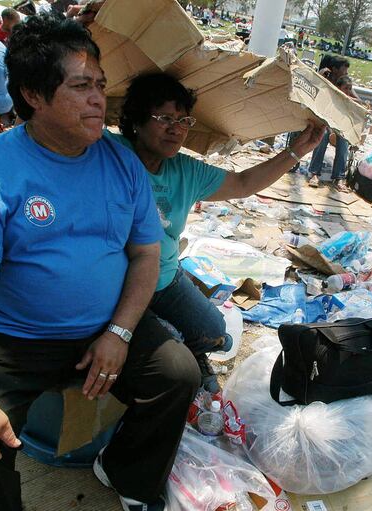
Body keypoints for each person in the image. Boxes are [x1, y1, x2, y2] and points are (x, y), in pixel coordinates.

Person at [0, 16, 199, 511]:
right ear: (34, 95)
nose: (99, 98)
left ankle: (129, 477)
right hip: (17, 338)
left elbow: (146, 255)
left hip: (104, 327)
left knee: (179, 372)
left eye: (100, 85)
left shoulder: (122, 164)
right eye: (81, 86)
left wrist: (119, 333)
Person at [110, 72, 323, 392]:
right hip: (118, 283)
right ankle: (176, 350)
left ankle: (190, 350)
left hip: (166, 278)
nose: (176, 129)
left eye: (183, 121)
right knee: (168, 351)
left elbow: (243, 184)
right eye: (164, 118)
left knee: (215, 331)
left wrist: (298, 151)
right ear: (136, 120)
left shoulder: (185, 170)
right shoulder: (108, 153)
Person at [308, 55, 351, 188]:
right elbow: (312, 84)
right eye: (344, 70)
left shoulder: (344, 82)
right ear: (334, 69)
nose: (346, 73)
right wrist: (320, 73)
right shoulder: (324, 79)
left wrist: (363, 105)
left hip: (336, 119)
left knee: (344, 138)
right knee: (324, 134)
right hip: (322, 118)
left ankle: (339, 177)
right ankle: (314, 172)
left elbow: (354, 96)